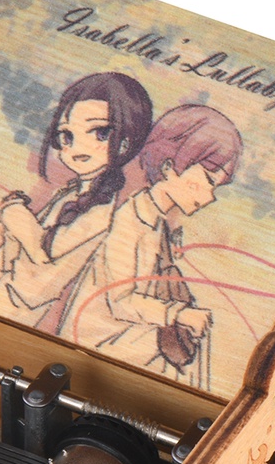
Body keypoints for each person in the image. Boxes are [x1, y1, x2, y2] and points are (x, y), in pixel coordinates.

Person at [0, 72, 153, 323]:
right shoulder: (71, 192)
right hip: (8, 274)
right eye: (67, 136)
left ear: (125, 142)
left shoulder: (102, 210)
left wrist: (15, 214)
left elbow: (42, 254)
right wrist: (8, 216)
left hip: (18, 301)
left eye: (100, 133)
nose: (78, 147)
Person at [60, 104, 243, 388]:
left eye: (215, 187)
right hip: (94, 345)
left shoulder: (156, 223)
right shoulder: (131, 220)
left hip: (121, 338)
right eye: (208, 181)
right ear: (169, 167)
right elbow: (120, 302)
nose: (209, 197)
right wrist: (178, 314)